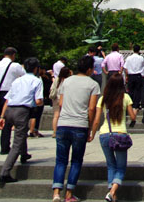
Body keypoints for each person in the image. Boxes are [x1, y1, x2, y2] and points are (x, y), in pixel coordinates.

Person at [52, 56, 100, 202]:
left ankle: (56, 193)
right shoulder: (93, 84)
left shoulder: (66, 82)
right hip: (80, 125)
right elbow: (92, 108)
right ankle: (69, 194)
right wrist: (91, 128)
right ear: (90, 69)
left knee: (60, 160)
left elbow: (60, 103)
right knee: (76, 160)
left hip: (63, 123)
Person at [0, 57, 43, 186]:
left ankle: (24, 154)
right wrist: (39, 103)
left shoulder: (17, 80)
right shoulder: (36, 80)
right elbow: (38, 101)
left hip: (9, 110)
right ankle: (4, 173)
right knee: (17, 141)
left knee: (20, 133)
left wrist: (2, 117)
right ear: (36, 69)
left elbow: (7, 99)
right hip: (22, 111)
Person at [92, 74, 137, 202]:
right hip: (120, 134)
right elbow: (133, 117)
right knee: (121, 167)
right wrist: (136, 112)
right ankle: (112, 192)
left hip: (105, 133)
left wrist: (92, 134)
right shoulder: (125, 97)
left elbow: (96, 120)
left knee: (111, 165)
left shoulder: (103, 99)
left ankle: (112, 194)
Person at [0, 47, 25, 155]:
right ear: (13, 55)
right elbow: (23, 76)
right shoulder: (15, 66)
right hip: (9, 93)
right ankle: (4, 147)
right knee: (7, 120)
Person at [50, 67, 72, 137]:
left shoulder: (57, 79)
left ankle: (54, 132)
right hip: (64, 99)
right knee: (64, 115)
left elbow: (52, 88)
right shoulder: (68, 80)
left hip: (56, 98)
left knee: (56, 115)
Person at [123, 45, 144, 109]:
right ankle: (136, 104)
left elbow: (126, 68)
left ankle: (130, 104)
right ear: (139, 50)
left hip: (131, 75)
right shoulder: (141, 58)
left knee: (131, 90)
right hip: (138, 75)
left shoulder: (128, 58)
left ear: (133, 50)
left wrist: (127, 76)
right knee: (138, 90)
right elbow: (142, 67)